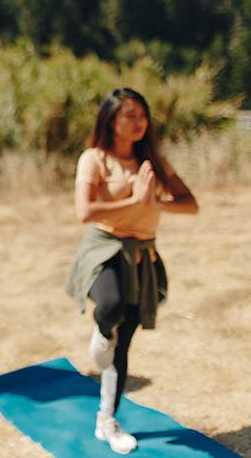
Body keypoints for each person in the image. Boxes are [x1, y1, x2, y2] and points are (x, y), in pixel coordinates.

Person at [65, 89, 198, 454]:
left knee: (123, 344)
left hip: (144, 253)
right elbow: (84, 212)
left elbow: (191, 204)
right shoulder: (94, 159)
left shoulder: (152, 161)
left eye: (142, 115)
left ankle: (106, 419)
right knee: (111, 305)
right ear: (111, 119)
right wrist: (133, 201)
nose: (139, 122)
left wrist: (156, 203)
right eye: (129, 115)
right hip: (104, 250)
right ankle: (101, 329)